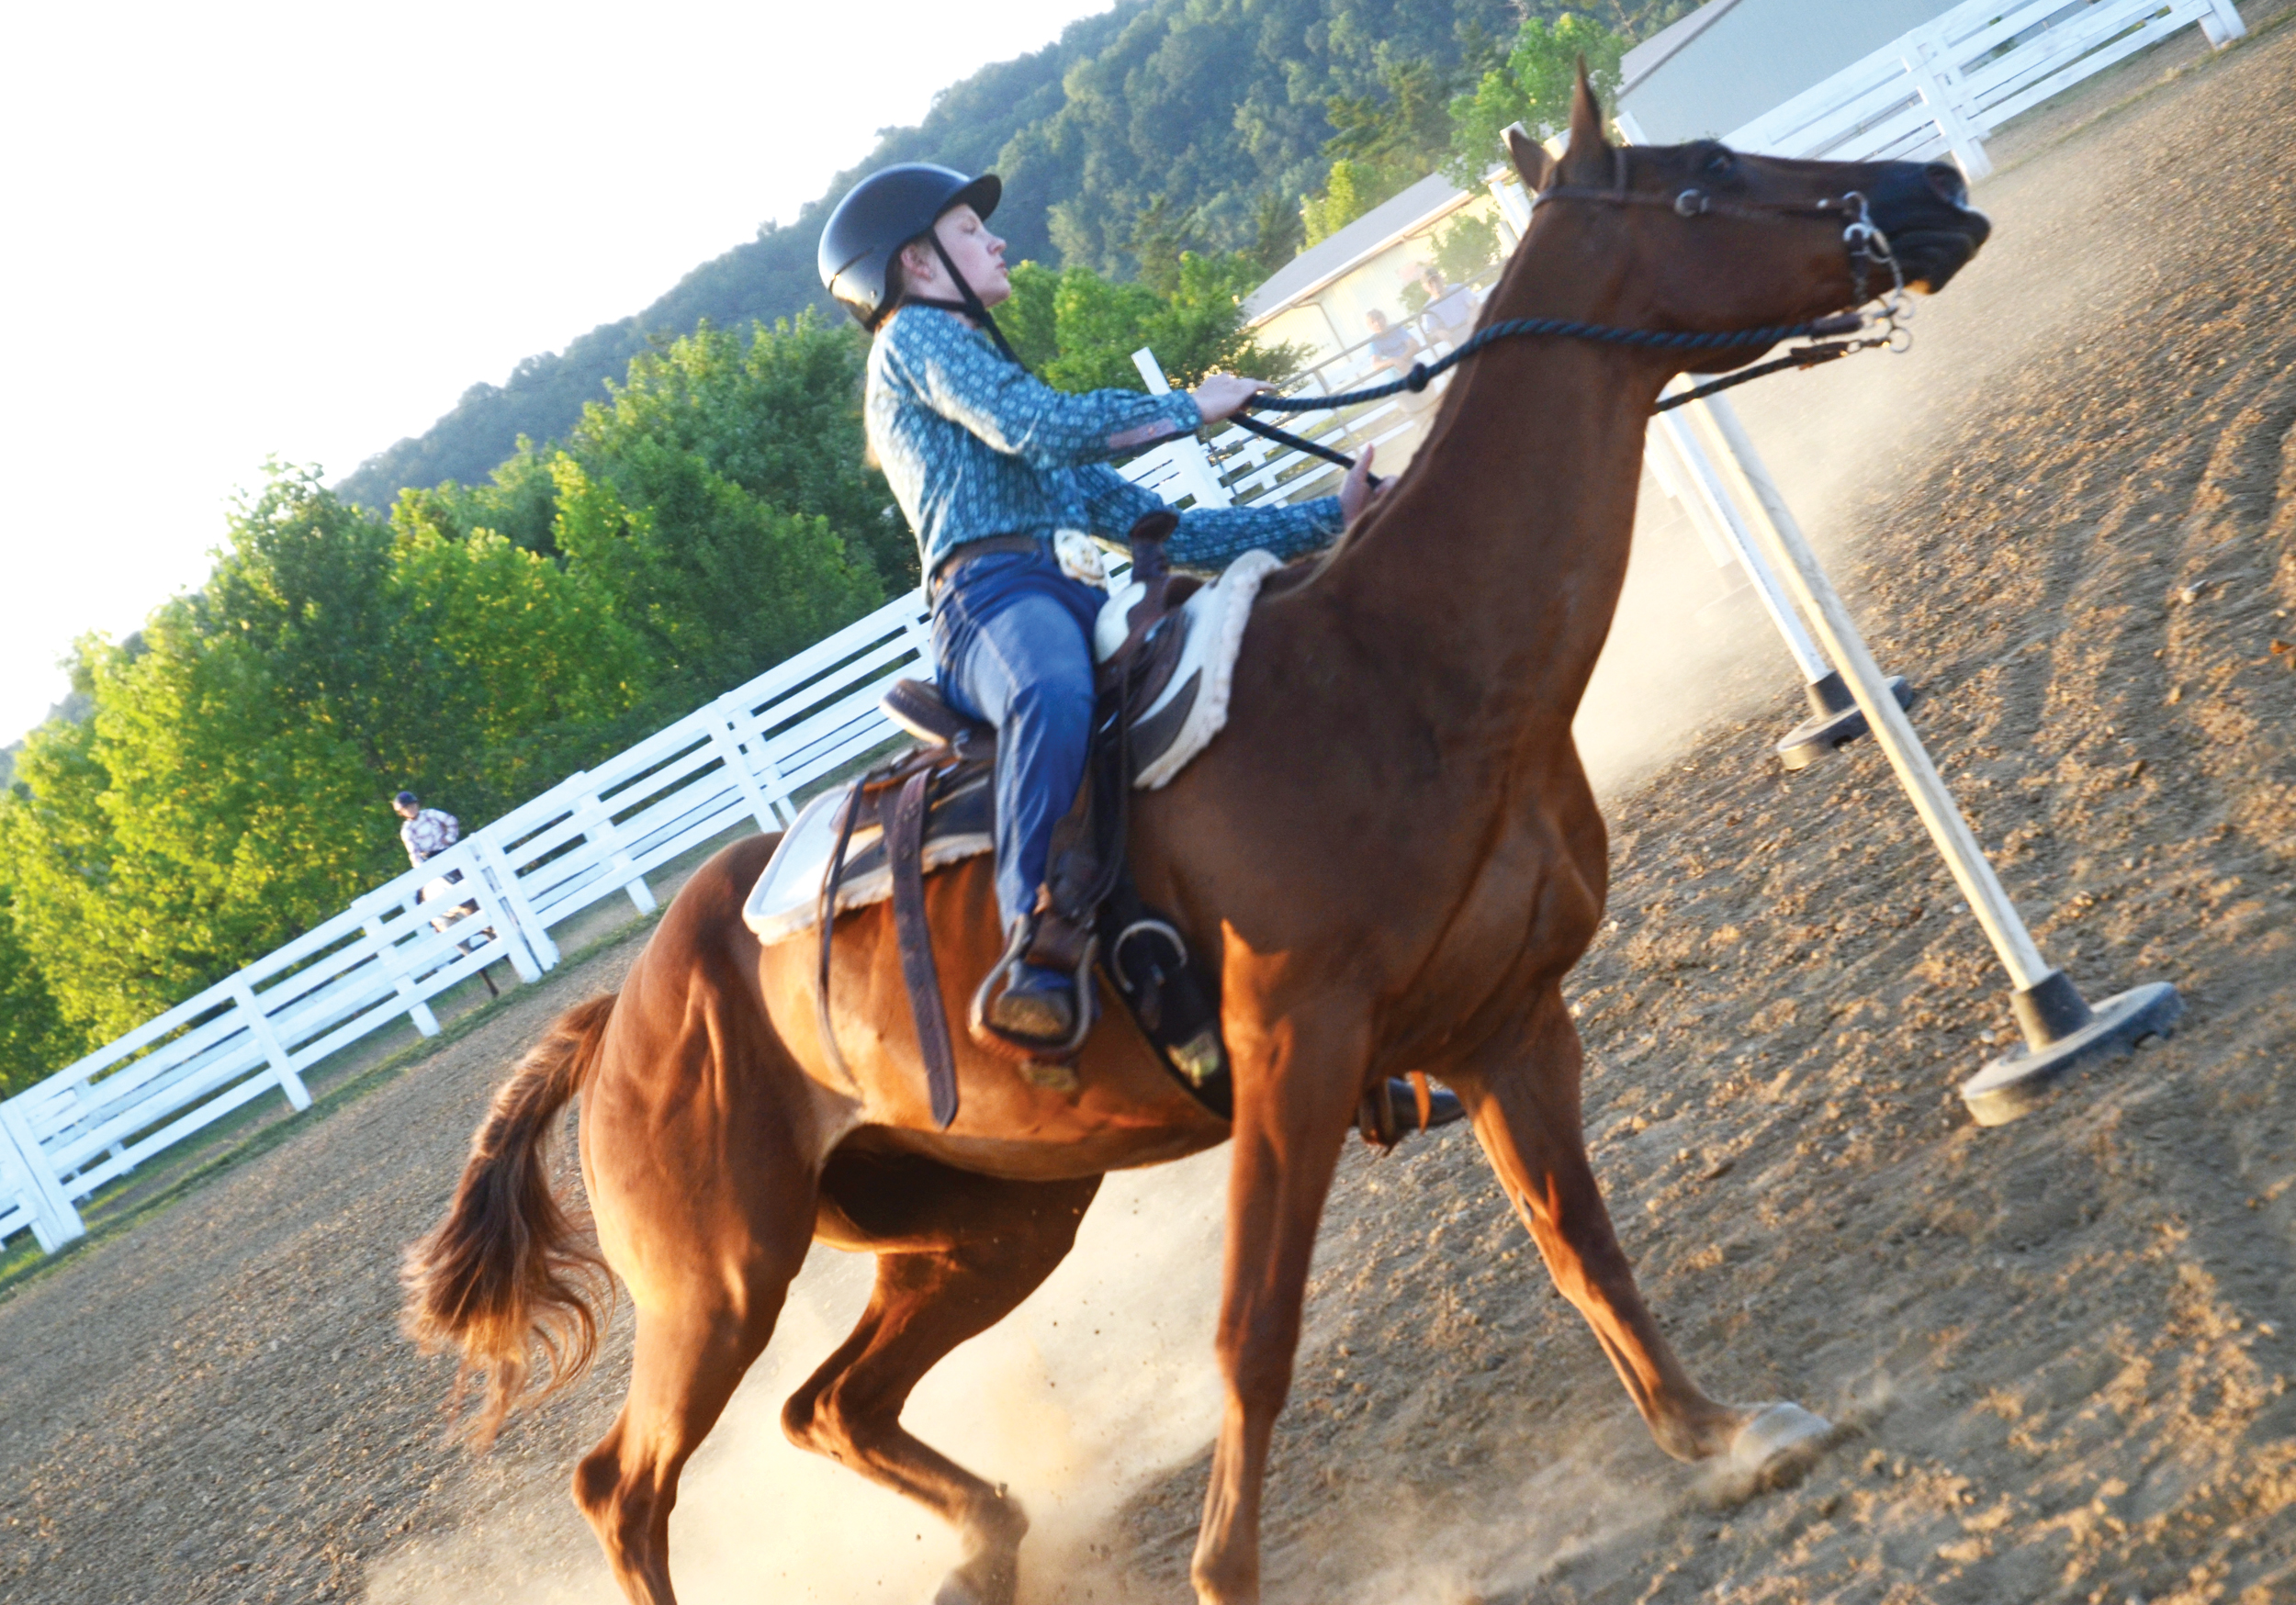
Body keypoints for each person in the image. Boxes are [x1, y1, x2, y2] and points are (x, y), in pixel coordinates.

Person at [818, 163, 1384, 1050]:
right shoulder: (913, 339)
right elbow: (1041, 425)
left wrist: (1334, 516)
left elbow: (1168, 531)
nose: (997, 241)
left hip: (1077, 598)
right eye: (970, 230)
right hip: (991, 605)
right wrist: (1190, 408)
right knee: (1049, 689)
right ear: (916, 264)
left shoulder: (995, 394)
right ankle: (1035, 939)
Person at [1413, 264, 1479, 351]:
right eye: (1430, 283)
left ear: (1441, 278)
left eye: (1436, 280)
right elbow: (1431, 333)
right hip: (1455, 341)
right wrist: (1438, 333)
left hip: (1473, 329)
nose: (1435, 285)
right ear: (1425, 288)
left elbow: (1476, 305)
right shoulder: (1427, 309)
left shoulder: (1457, 288)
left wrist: (1473, 315)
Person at [393, 791, 461, 868]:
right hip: (431, 859)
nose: (411, 809)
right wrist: (420, 867)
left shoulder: (430, 813)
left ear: (417, 804)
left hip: (447, 850)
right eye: (407, 808)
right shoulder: (407, 830)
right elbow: (413, 851)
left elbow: (451, 821)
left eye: (412, 805)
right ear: (401, 812)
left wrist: (449, 838)